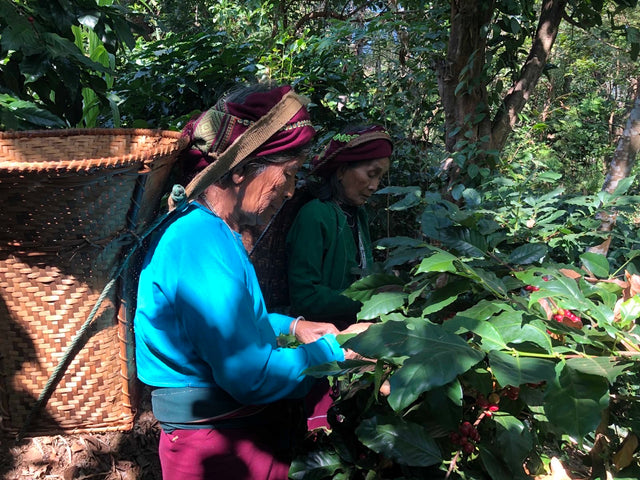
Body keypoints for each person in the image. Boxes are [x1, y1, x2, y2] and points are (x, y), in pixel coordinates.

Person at [133, 84, 365, 480]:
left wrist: (291, 326)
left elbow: (234, 322)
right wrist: (339, 351)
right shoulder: (198, 241)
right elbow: (250, 375)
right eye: (288, 174)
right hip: (215, 446)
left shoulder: (212, 232)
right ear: (239, 169)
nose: (290, 192)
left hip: (227, 435)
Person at [286, 125, 393, 330]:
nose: (374, 185)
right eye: (371, 174)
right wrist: (371, 296)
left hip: (356, 326)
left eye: (379, 177)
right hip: (321, 333)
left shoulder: (358, 213)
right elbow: (305, 298)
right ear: (342, 171)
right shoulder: (315, 214)